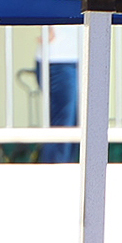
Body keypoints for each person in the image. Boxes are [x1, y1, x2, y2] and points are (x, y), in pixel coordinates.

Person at [38, 21, 83, 164]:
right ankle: (54, 173)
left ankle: (67, 171)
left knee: (78, 123)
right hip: (59, 58)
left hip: (78, 58)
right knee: (64, 121)